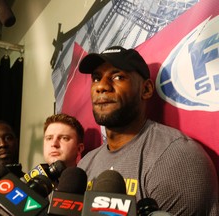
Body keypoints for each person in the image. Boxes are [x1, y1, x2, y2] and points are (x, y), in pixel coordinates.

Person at [77, 46, 218, 215]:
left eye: (117, 76)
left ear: (146, 89)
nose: (101, 87)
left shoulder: (176, 156)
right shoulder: (85, 164)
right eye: (96, 78)